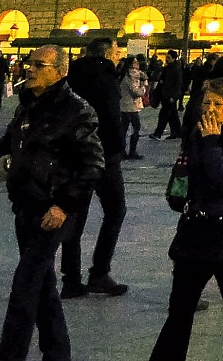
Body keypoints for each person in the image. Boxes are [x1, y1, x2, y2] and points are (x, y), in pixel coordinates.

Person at [0, 45, 107, 361]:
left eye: (39, 65)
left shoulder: (76, 110)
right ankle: (57, 352)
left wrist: (64, 205)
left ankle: (10, 355)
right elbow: (5, 145)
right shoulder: (28, 104)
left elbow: (93, 164)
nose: (30, 69)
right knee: (42, 284)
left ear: (60, 71)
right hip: (25, 205)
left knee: (25, 285)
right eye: (30, 63)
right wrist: (1, 161)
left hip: (53, 210)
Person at [148, 75, 223, 361]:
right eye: (207, 102)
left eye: (218, 104)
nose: (210, 109)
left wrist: (212, 143)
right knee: (180, 310)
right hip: (195, 229)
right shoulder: (196, 131)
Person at [60, 38, 131, 298]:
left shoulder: (70, 77)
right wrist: (117, 150)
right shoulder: (106, 79)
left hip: (73, 154)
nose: (119, 55)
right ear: (108, 53)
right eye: (117, 51)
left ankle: (71, 279)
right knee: (115, 210)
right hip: (103, 155)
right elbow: (111, 119)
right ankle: (99, 272)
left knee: (75, 215)